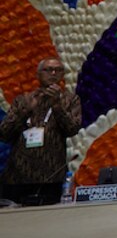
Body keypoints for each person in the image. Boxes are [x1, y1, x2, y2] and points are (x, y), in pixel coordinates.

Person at [0, 58, 81, 205]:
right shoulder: (23, 100)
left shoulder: (70, 99)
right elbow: (4, 133)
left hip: (51, 174)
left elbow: (72, 129)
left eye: (58, 70)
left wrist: (57, 105)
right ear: (38, 74)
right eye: (48, 70)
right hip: (18, 174)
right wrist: (25, 111)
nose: (53, 73)